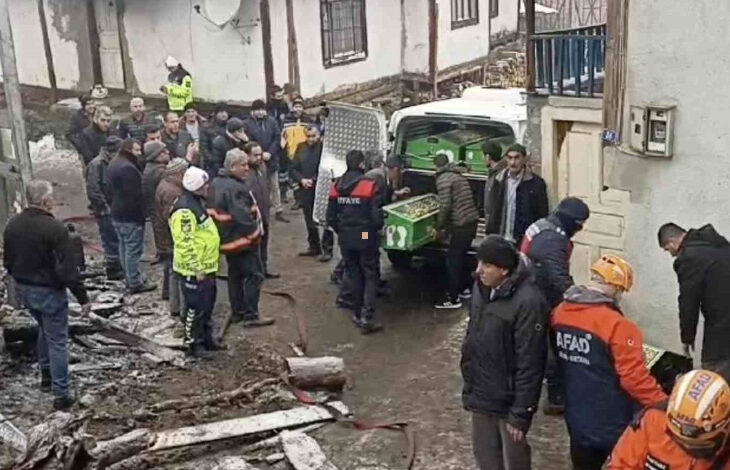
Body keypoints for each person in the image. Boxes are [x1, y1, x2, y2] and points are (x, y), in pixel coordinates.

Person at [552, 254, 667, 470]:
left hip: (576, 414)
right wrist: (663, 403)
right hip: (611, 420)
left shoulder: (560, 314)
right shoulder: (618, 326)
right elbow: (634, 379)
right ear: (615, 287)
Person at [461, 236, 549, 470]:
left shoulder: (529, 302)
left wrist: (521, 414)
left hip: (508, 403)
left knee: (514, 461)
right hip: (481, 394)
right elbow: (473, 337)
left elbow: (530, 363)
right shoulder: (481, 288)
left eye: (487, 265)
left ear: (504, 270)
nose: (479, 271)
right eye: (479, 263)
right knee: (485, 458)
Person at [4, 180, 91, 410]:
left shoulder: (12, 225)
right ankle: (61, 393)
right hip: (49, 292)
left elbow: (8, 261)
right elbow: (68, 270)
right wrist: (83, 298)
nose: (54, 200)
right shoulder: (55, 229)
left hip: (25, 289)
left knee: (44, 328)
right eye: (52, 196)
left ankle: (46, 375)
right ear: (45, 201)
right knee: (58, 341)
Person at [520, 196, 590, 415]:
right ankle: (555, 398)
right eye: (579, 225)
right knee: (553, 349)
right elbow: (560, 279)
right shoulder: (553, 239)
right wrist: (585, 300)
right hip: (541, 299)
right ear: (572, 221)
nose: (580, 230)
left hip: (531, 290)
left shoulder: (543, 226)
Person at [608, 369, 730, 470]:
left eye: (698, 447)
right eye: (678, 440)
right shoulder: (653, 420)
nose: (686, 448)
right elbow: (621, 464)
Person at [210, 149, 275, 327]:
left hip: (228, 241)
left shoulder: (217, 183)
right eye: (243, 165)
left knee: (235, 275)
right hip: (242, 242)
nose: (247, 168)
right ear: (232, 167)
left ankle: (237, 311)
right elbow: (243, 217)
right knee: (254, 275)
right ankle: (251, 315)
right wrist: (255, 235)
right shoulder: (236, 188)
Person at [658, 223, 730, 382]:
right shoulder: (719, 245)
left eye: (667, 249)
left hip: (722, 325)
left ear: (671, 242)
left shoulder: (689, 258)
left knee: (712, 378)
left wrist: (687, 338)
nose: (671, 254)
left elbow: (688, 302)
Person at [327, 150, 384, 334]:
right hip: (365, 235)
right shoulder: (368, 185)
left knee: (354, 273)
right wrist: (375, 229)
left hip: (345, 236)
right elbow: (376, 218)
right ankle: (367, 318)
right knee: (370, 272)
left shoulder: (336, 185)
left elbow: (330, 216)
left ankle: (358, 312)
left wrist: (341, 230)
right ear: (361, 165)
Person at [169, 166, 221, 358]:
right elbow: (184, 243)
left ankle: (207, 338)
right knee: (195, 307)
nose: (208, 187)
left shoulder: (196, 202)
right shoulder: (184, 210)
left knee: (207, 304)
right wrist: (196, 267)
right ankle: (193, 344)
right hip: (194, 270)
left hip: (207, 266)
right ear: (196, 187)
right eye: (205, 184)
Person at [106, 138, 155, 294]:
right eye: (136, 150)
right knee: (133, 251)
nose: (139, 153)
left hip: (116, 212)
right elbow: (134, 196)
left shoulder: (114, 163)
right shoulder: (129, 169)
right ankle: (134, 281)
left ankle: (130, 277)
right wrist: (142, 216)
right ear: (128, 150)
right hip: (129, 216)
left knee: (124, 247)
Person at [433, 153, 480, 309]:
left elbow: (445, 205)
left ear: (436, 166)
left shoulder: (444, 179)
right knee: (461, 256)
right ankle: (464, 289)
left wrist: (438, 226)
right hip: (471, 221)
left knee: (452, 260)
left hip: (462, 223)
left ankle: (453, 298)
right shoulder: (457, 175)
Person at [485, 143, 549, 245]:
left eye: (516, 158)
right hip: (500, 237)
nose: (513, 162)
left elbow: (541, 213)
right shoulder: (498, 180)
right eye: (510, 158)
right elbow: (491, 209)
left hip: (523, 239)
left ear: (524, 159)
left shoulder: (536, 183)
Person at [289, 126, 332, 260]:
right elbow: (293, 168)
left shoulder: (325, 148)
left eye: (314, 136)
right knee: (309, 218)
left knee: (325, 218)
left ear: (319, 135)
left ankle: (327, 249)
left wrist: (314, 179)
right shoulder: (301, 147)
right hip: (305, 188)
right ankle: (314, 246)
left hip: (322, 187)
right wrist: (301, 179)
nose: (311, 139)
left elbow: (327, 168)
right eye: (308, 136)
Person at [243, 99, 288, 223]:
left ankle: (278, 210)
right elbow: (248, 141)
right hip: (256, 160)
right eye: (258, 110)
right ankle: (262, 210)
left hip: (271, 158)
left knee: (275, 186)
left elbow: (277, 137)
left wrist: (270, 152)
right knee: (260, 187)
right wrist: (260, 154)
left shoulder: (272, 121)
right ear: (253, 111)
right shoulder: (247, 124)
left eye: (262, 109)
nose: (260, 112)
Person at [86, 136, 124, 280]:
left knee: (116, 238)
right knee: (110, 239)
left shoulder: (110, 163)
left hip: (113, 207)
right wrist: (105, 208)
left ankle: (117, 266)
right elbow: (93, 190)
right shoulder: (96, 165)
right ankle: (113, 269)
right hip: (104, 210)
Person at [155, 158, 189, 319]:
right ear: (178, 173)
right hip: (171, 238)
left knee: (171, 270)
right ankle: (178, 307)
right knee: (177, 273)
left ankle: (171, 300)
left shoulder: (165, 184)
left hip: (165, 236)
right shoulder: (173, 192)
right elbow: (172, 217)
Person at [245, 141, 279, 279]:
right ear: (246, 155)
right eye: (255, 155)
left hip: (264, 211)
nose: (259, 157)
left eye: (260, 154)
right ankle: (254, 272)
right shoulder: (245, 172)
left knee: (264, 242)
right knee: (253, 246)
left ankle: (263, 269)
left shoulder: (262, 167)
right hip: (252, 215)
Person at [141, 141, 171, 263]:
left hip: (154, 207)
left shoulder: (150, 168)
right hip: (159, 209)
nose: (168, 152)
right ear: (157, 155)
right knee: (162, 232)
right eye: (164, 151)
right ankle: (165, 254)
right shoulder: (159, 172)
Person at [482, 140, 507, 222]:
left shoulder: (499, 176)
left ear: (488, 157)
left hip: (495, 223)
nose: (482, 159)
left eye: (483, 155)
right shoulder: (494, 173)